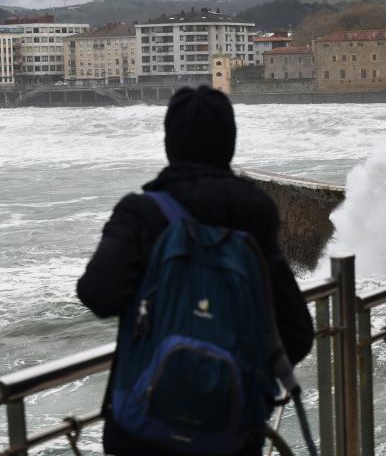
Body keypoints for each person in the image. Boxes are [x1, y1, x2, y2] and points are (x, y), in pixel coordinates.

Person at [77, 86, 314, 455]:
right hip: (231, 435)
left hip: (141, 433)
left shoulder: (141, 213)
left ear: (170, 143)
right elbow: (296, 333)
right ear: (229, 143)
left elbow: (97, 294)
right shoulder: (256, 216)